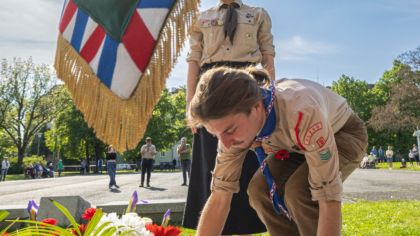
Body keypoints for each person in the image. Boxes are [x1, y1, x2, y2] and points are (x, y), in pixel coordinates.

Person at [188, 67, 368, 235]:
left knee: (299, 192)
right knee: (259, 191)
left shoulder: (303, 112)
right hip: (296, 145)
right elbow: (219, 198)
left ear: (257, 107)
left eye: (230, 130)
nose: (226, 144)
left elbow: (329, 200)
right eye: (216, 134)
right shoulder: (230, 131)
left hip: (342, 133)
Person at [184, 0, 275, 233]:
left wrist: (269, 97)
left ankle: (250, 223)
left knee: (250, 160)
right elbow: (194, 60)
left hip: (247, 84)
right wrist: (190, 104)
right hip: (210, 91)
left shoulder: (257, 15)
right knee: (211, 163)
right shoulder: (201, 18)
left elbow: (267, 57)